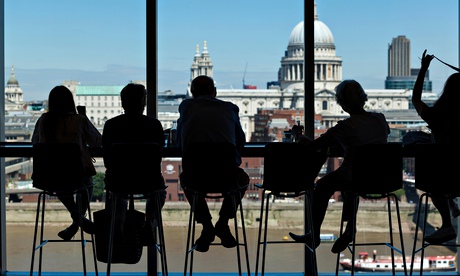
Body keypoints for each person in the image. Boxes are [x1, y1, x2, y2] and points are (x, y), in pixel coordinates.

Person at [288, 79, 390, 254]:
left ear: (342, 103)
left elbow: (314, 146)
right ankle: (350, 229)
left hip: (354, 176)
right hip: (381, 177)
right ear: (363, 98)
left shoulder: (345, 127)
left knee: (322, 186)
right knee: (350, 187)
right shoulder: (380, 119)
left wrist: (298, 135)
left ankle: (314, 234)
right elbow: (375, 139)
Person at [176, 75, 249, 252]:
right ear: (215, 92)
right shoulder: (231, 109)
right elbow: (241, 142)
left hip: (197, 179)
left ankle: (207, 226)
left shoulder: (186, 107)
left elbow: (179, 142)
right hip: (226, 179)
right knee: (243, 179)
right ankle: (223, 223)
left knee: (185, 179)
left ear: (192, 93)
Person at [32, 85, 102, 241]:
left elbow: (35, 143)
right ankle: (77, 222)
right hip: (75, 176)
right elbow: (98, 142)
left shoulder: (43, 120)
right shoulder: (79, 120)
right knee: (87, 184)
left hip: (48, 177)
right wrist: (84, 117)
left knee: (60, 183)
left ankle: (77, 221)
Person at [406, 49, 460, 244]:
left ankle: (447, 224)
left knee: (416, 142)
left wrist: (423, 70)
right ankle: (451, 201)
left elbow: (415, 100)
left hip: (444, 175)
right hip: (457, 173)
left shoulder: (436, 116)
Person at [102, 83, 166, 243]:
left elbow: (107, 160)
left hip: (119, 180)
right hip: (148, 181)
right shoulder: (154, 125)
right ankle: (150, 223)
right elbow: (158, 157)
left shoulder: (111, 125)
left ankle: (118, 226)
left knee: (118, 192)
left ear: (123, 102)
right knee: (158, 191)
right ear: (144, 102)